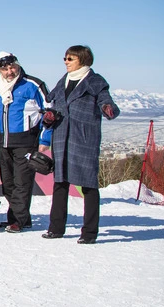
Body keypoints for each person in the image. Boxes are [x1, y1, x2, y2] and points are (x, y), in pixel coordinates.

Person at [42, 45, 119, 244]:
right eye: (65, 58)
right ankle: (56, 228)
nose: (66, 62)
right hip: (61, 137)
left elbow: (105, 101)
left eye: (70, 58)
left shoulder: (95, 81)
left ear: (82, 60)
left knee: (89, 186)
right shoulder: (63, 81)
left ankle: (89, 233)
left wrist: (108, 108)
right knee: (60, 183)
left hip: (83, 139)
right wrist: (48, 118)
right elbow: (52, 105)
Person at [0, 52, 51, 233]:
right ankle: (21, 218)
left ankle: (18, 220)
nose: (9, 72)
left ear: (18, 65)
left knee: (22, 182)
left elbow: (50, 112)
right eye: (5, 69)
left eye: (12, 67)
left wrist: (45, 138)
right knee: (8, 184)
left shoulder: (33, 85)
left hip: (26, 141)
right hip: (4, 143)